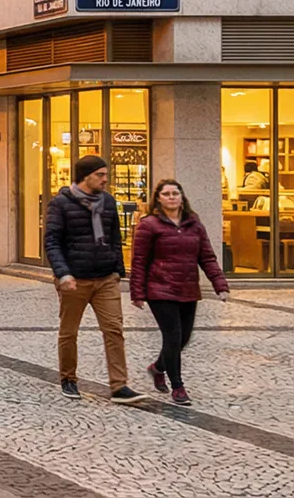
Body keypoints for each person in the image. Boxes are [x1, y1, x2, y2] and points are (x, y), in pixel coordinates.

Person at [46, 153, 143, 404]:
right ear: (85, 176)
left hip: (105, 277)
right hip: (74, 278)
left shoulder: (108, 201)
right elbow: (52, 241)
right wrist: (62, 273)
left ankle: (119, 386)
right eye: (100, 175)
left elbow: (113, 238)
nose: (105, 179)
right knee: (69, 332)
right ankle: (68, 378)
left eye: (106, 175)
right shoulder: (61, 203)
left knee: (114, 330)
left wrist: (118, 271)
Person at [130, 179, 229, 406]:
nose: (172, 197)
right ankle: (178, 386)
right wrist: (137, 293)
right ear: (158, 199)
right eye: (166, 194)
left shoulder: (194, 224)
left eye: (176, 193)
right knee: (173, 336)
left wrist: (220, 284)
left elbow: (207, 257)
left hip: (188, 288)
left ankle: (158, 368)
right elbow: (139, 261)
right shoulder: (149, 225)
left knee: (184, 338)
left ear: (182, 197)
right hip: (160, 288)